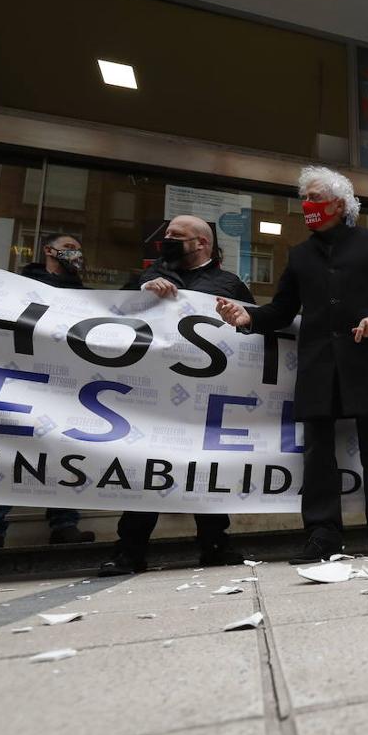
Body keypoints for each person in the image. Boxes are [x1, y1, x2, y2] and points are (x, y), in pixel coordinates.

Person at [217, 167, 368, 563]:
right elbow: (283, 308)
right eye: (304, 197)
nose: (307, 205)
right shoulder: (299, 254)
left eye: (315, 197)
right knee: (318, 453)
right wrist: (249, 318)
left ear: (340, 205)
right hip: (318, 366)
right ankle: (323, 535)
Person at [99, 215, 254, 575]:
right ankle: (130, 550)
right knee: (148, 468)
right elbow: (109, 314)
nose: (166, 240)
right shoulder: (147, 277)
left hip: (206, 394)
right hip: (153, 394)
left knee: (206, 467)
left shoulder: (228, 284)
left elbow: (252, 330)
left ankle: (215, 543)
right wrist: (143, 293)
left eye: (175, 236)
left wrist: (239, 318)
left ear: (201, 243)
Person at [0, 233, 97, 552]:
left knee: (63, 451)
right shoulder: (17, 287)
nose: (76, 254)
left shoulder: (87, 296)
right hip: (20, 380)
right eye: (70, 248)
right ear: (49, 250)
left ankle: (65, 523)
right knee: (10, 450)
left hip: (64, 384)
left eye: (78, 248)